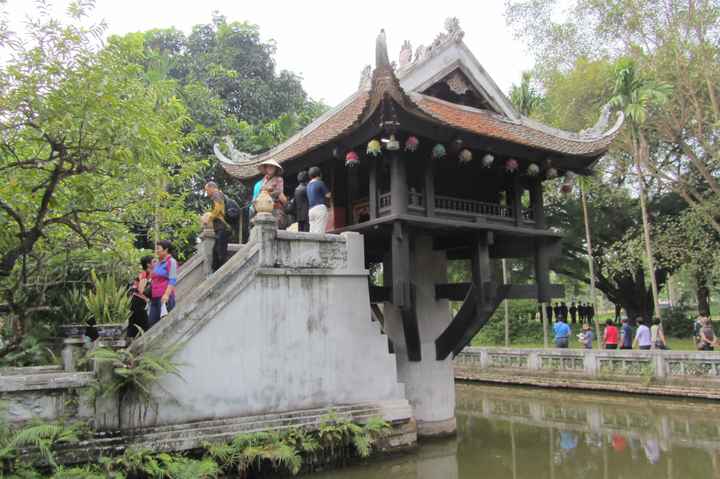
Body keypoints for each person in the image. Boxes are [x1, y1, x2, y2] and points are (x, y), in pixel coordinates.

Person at [203, 181, 232, 272]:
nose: (207, 193)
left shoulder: (216, 194)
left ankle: (222, 271)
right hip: (222, 227)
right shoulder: (221, 194)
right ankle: (216, 270)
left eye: (207, 190)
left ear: (212, 188)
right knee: (216, 250)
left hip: (223, 226)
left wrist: (209, 218)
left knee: (220, 251)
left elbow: (218, 209)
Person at [148, 240, 178, 329]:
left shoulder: (171, 261)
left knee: (165, 325)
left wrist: (166, 295)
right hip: (154, 297)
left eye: (158, 249)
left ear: (166, 250)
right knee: (151, 323)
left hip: (164, 298)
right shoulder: (158, 263)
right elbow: (153, 278)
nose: (156, 251)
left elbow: (172, 280)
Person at [127, 255, 153, 339]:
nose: (157, 263)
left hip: (136, 301)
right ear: (148, 264)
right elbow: (141, 289)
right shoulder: (144, 274)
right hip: (137, 301)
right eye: (154, 261)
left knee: (134, 322)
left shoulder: (148, 274)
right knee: (144, 324)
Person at [257, 159, 287, 228]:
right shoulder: (263, 181)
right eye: (268, 166)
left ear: (275, 169)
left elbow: (279, 192)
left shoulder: (279, 179)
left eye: (272, 167)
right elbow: (260, 193)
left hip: (275, 207)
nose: (270, 168)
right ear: (266, 168)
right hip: (264, 207)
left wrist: (268, 190)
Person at [307, 166, 331, 234]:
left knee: (312, 232)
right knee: (320, 232)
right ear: (319, 174)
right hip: (319, 208)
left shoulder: (308, 185)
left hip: (311, 210)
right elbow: (328, 195)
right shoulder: (320, 183)